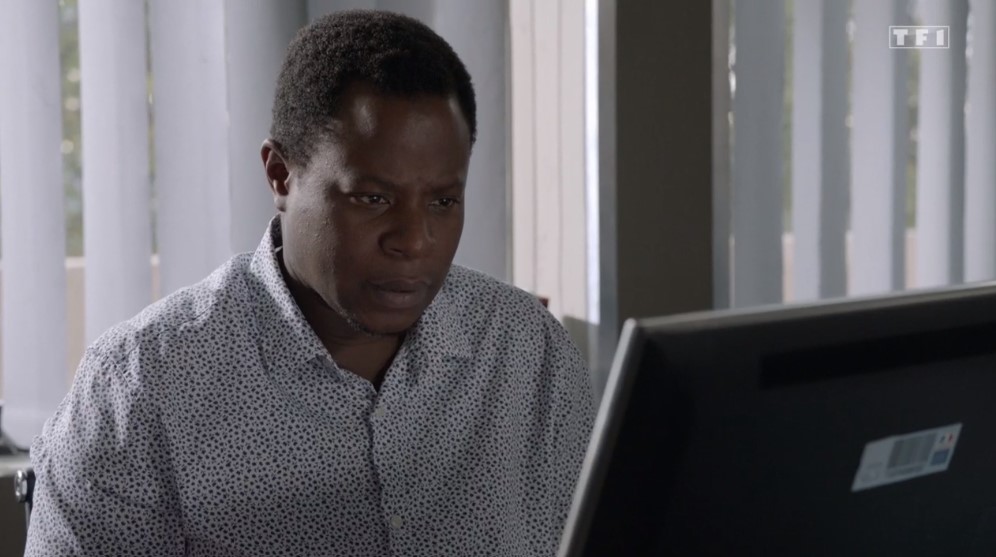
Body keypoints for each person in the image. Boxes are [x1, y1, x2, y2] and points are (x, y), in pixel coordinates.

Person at [24, 10, 595, 556]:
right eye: (373, 198)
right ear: (281, 174)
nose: (414, 240)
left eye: (443, 202)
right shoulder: (140, 388)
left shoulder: (529, 351)